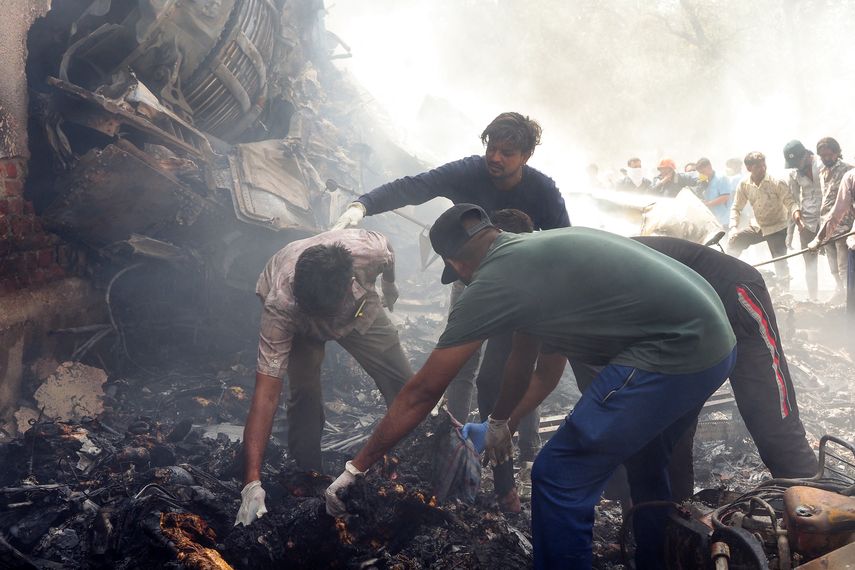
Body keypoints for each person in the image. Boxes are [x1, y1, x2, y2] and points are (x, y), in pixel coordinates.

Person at [325, 204, 737, 569]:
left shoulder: (493, 280)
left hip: (672, 351)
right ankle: (654, 561)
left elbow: (423, 390)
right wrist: (500, 423)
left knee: (558, 476)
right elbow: (532, 367)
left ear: (458, 265)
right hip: (714, 343)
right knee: (646, 462)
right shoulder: (533, 255)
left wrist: (356, 468)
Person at [332, 112, 570, 424]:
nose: (495, 158)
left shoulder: (543, 191)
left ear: (526, 156)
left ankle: (516, 442)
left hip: (516, 287)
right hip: (468, 277)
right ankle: (456, 434)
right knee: (460, 362)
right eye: (491, 148)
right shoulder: (468, 172)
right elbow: (416, 187)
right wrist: (363, 205)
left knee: (505, 372)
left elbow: (562, 244)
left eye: (507, 153)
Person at [568, 236, 817, 505]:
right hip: (680, 328)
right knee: (667, 430)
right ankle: (674, 517)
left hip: (730, 295)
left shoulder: (577, 292)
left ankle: (821, 508)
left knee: (771, 420)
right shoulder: (571, 306)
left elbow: (607, 402)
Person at [235, 229, 412, 526]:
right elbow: (266, 395)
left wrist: (390, 284)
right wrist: (251, 483)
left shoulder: (368, 251)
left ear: (349, 282)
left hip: (358, 312)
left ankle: (403, 463)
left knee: (404, 384)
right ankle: (308, 476)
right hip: (300, 324)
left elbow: (388, 252)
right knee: (305, 393)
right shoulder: (281, 307)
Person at [466, 209, 542, 511]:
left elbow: (542, 371)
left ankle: (528, 454)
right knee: (488, 381)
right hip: (511, 313)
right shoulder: (498, 273)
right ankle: (505, 487)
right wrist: (497, 425)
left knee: (525, 380)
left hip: (548, 320)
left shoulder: (539, 273)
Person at [728, 151, 803, 285]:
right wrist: (733, 227)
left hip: (777, 227)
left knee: (779, 261)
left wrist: (796, 214)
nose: (762, 169)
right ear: (749, 168)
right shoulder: (744, 184)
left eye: (764, 165)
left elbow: (790, 202)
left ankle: (784, 291)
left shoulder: (776, 182)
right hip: (759, 226)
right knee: (736, 240)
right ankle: (728, 272)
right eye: (758, 167)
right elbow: (736, 208)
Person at [811, 168, 855, 311]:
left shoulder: (850, 176)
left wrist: (819, 239)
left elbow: (837, 212)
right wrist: (820, 238)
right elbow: (837, 212)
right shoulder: (851, 177)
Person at [815, 137, 854, 303]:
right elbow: (825, 197)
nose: (826, 158)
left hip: (844, 224)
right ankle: (839, 290)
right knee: (832, 264)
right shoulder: (822, 171)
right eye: (822, 156)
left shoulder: (848, 170)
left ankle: (848, 297)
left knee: (843, 264)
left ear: (837, 152)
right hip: (827, 223)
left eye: (829, 154)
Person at [784, 140, 823, 300]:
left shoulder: (822, 164)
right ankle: (813, 298)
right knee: (810, 262)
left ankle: (841, 293)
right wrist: (790, 232)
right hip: (807, 222)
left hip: (829, 218)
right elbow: (793, 202)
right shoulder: (794, 174)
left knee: (837, 259)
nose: (796, 166)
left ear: (806, 155)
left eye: (797, 161)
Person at [696, 157, 732, 229]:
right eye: (700, 173)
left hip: (725, 220)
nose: (702, 174)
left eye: (703, 172)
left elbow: (725, 197)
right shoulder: (705, 181)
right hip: (714, 221)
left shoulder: (721, 178)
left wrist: (707, 204)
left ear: (709, 167)